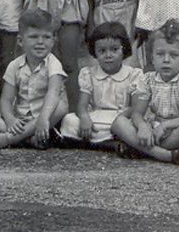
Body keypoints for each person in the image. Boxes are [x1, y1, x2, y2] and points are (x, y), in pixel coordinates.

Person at [113, 20, 179, 164]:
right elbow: (137, 113)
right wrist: (143, 126)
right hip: (155, 130)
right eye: (160, 54)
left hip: (177, 130)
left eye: (174, 55)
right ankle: (166, 155)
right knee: (119, 123)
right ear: (152, 57)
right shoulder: (148, 79)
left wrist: (166, 125)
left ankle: (141, 150)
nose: (166, 60)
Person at [0, 10, 69, 150]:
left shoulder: (53, 64)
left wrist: (43, 118)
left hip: (44, 116)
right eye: (33, 37)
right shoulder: (14, 66)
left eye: (46, 37)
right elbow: (6, 99)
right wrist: (10, 119)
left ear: (53, 39)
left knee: (61, 107)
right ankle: (28, 140)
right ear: (20, 41)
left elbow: (53, 93)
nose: (40, 42)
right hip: (20, 120)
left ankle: (8, 139)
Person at [59, 21, 140, 150]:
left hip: (121, 118)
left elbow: (135, 108)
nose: (108, 55)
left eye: (114, 50)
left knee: (131, 126)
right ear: (94, 52)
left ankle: (98, 143)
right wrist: (85, 118)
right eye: (102, 51)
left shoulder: (133, 74)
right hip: (96, 117)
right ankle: (110, 144)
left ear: (124, 49)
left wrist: (121, 119)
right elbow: (82, 105)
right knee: (70, 120)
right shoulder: (89, 73)